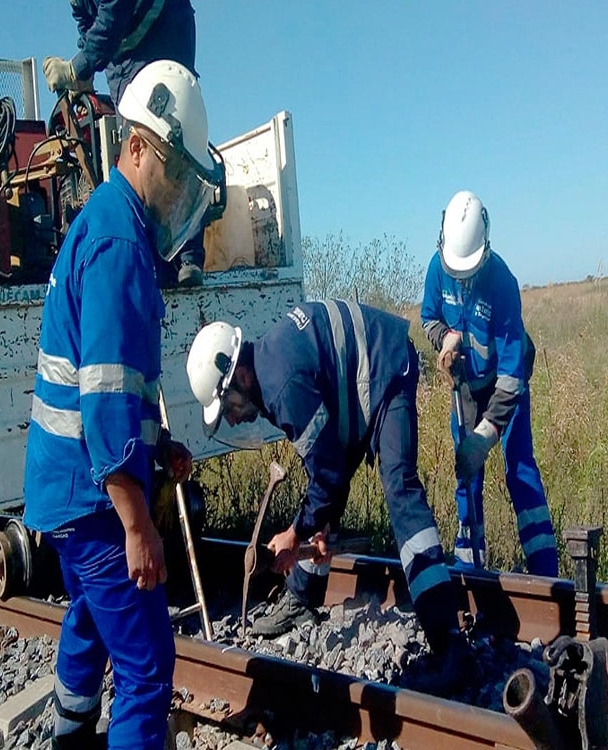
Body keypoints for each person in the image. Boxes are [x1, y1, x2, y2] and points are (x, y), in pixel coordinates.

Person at [23, 60, 223, 750]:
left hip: (67, 484)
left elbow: (109, 389)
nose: (175, 196)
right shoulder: (117, 242)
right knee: (145, 668)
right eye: (173, 174)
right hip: (92, 494)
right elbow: (105, 397)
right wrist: (138, 524)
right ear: (135, 147)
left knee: (87, 615)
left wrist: (154, 449)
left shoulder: (109, 225)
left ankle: (71, 734)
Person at [186, 300, 472, 693]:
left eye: (228, 407)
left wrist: (294, 534)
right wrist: (311, 529)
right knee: (323, 496)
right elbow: (325, 466)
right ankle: (303, 596)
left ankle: (449, 643)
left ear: (239, 377)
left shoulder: (282, 387)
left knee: (400, 488)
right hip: (354, 387)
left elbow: (328, 475)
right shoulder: (269, 370)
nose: (232, 418)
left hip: (387, 368)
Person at [420, 190, 559, 576]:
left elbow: (513, 375)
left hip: (504, 389)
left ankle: (545, 571)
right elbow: (429, 317)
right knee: (467, 473)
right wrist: (445, 338)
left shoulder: (502, 282)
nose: (461, 277)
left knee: (520, 471)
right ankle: (469, 568)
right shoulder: (437, 267)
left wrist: (486, 435)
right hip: (465, 386)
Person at [42, 0, 206, 286]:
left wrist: (76, 68)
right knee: (137, 147)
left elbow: (112, 15)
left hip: (163, 29)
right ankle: (156, 257)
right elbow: (87, 21)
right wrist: (87, 64)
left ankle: (188, 255)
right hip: (123, 52)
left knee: (170, 134)